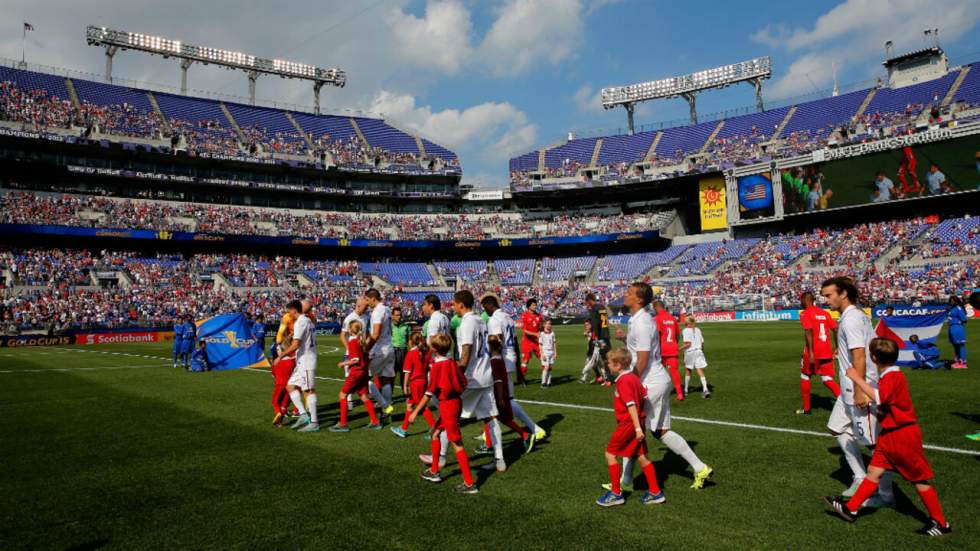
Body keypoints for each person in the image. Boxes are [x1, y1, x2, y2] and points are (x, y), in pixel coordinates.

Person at [825, 338, 952, 537]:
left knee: (919, 479)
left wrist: (857, 379)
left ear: (874, 358)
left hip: (902, 435)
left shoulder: (893, 377)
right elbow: (883, 400)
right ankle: (851, 508)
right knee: (874, 472)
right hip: (890, 435)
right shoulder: (889, 376)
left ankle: (941, 523)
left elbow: (881, 397)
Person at [610, 282, 713, 492]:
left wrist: (630, 383)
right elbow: (642, 347)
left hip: (650, 381)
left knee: (633, 428)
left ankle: (626, 482)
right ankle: (699, 467)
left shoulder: (642, 322)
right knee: (660, 431)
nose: (625, 295)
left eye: (629, 293)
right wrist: (625, 338)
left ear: (639, 299)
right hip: (655, 378)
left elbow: (644, 358)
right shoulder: (639, 320)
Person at [820, 277, 894, 505]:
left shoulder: (852, 319)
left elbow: (860, 355)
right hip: (848, 387)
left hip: (859, 387)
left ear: (843, 294)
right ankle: (861, 476)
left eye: (829, 295)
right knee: (836, 428)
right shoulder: (855, 315)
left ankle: (885, 495)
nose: (825, 299)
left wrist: (860, 390)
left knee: (874, 445)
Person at [408, 333, 478, 494]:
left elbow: (428, 393)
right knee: (435, 433)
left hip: (448, 406)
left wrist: (415, 412)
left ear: (433, 349)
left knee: (456, 443)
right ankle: (434, 472)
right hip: (456, 403)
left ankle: (469, 483)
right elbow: (464, 383)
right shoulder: (452, 363)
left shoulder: (437, 368)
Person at [595, 348, 665, 507]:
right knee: (641, 456)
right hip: (637, 422)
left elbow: (631, 405)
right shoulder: (634, 378)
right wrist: (641, 422)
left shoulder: (623, 381)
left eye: (610, 364)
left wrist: (637, 428)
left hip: (629, 424)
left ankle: (616, 494)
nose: (608, 366)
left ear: (618, 365)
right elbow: (645, 399)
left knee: (610, 454)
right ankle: (655, 492)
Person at [481, 294, 546, 449]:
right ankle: (488, 435)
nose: (485, 311)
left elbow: (497, 340)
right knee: (498, 399)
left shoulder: (495, 320)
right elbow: (515, 342)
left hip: (502, 359)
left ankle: (533, 429)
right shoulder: (508, 318)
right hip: (511, 358)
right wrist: (518, 369)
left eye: (485, 308)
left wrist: (491, 360)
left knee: (504, 399)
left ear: (490, 306)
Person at [275, 300, 320, 432]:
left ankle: (314, 422)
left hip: (306, 360)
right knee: (290, 386)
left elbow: (296, 345)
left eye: (290, 312)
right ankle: (303, 415)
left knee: (308, 390)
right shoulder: (308, 320)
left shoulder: (301, 322)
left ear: (295, 310)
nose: (290, 315)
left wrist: (281, 356)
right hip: (302, 360)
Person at [330, 319, 381, 432]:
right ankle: (375, 421)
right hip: (363, 372)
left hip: (356, 372)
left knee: (342, 395)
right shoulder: (360, 341)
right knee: (364, 397)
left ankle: (343, 424)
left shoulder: (353, 342)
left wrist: (343, 363)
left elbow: (355, 360)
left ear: (349, 330)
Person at [486, 334, 531, 458]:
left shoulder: (495, 361)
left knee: (496, 418)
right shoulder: (499, 358)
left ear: (490, 346)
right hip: (502, 392)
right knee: (498, 418)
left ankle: (524, 435)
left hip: (499, 394)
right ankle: (523, 435)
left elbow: (498, 380)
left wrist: (499, 397)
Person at [797, 291, 841, 415]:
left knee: (805, 376)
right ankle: (845, 404)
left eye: (801, 300)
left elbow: (808, 332)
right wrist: (837, 347)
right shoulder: (824, 313)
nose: (800, 303)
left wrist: (811, 352)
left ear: (806, 300)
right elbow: (835, 329)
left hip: (813, 352)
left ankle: (806, 409)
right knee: (827, 378)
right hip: (827, 351)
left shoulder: (805, 313)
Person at [391, 332, 435, 437]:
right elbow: (431, 366)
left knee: (422, 407)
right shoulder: (427, 352)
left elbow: (407, 372)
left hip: (415, 384)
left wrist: (405, 386)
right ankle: (403, 429)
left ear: (411, 341)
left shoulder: (411, 353)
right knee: (410, 405)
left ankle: (434, 429)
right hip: (424, 381)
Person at [363, 288, 396, 417]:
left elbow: (375, 334)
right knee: (385, 379)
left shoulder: (377, 311)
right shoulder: (387, 309)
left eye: (367, 300)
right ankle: (386, 410)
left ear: (373, 298)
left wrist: (366, 348)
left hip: (380, 349)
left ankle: (386, 406)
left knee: (363, 377)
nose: (367, 303)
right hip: (389, 347)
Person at [340, 298, 371, 411]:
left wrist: (365, 347)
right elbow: (342, 335)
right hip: (352, 352)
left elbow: (366, 334)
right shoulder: (349, 318)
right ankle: (349, 401)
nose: (367, 308)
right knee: (349, 377)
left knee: (363, 378)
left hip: (362, 353)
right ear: (358, 305)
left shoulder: (366, 317)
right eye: (365, 307)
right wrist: (350, 349)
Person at [653, 300, 684, 400]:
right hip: (672, 348)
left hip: (661, 349)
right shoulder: (672, 318)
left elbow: (657, 334)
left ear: (656, 308)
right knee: (674, 372)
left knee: (657, 372)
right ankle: (680, 394)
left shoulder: (657, 318)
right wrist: (674, 343)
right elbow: (678, 334)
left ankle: (659, 392)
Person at [583, 293, 611, 384]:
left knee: (598, 357)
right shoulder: (602, 307)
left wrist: (597, 337)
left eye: (587, 302)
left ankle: (607, 379)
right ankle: (603, 377)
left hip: (600, 336)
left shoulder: (593, 308)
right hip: (606, 334)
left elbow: (595, 324)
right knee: (604, 357)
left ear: (589, 300)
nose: (587, 304)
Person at [681, 315, 710, 398]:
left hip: (690, 352)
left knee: (688, 370)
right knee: (699, 370)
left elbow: (687, 344)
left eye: (686, 323)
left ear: (688, 323)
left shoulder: (685, 330)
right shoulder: (698, 329)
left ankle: (686, 390)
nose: (685, 325)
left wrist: (678, 349)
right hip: (699, 351)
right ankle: (705, 389)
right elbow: (702, 343)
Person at [271, 348, 295, 427]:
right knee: (284, 403)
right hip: (290, 385)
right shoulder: (292, 362)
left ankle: (278, 413)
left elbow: (273, 375)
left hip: (280, 384)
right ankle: (279, 422)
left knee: (275, 402)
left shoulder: (276, 362)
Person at [520, 298, 544, 379]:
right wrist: (536, 334)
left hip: (537, 341)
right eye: (533, 305)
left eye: (535, 304)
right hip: (527, 341)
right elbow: (525, 331)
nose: (535, 306)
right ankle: (522, 378)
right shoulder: (524, 315)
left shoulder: (539, 315)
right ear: (529, 306)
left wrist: (543, 331)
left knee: (543, 358)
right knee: (525, 360)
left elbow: (541, 327)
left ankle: (544, 377)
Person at [947, 295, 968, 369]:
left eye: (953, 300)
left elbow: (964, 319)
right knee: (955, 345)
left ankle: (963, 363)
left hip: (957, 327)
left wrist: (957, 321)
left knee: (960, 345)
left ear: (956, 301)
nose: (951, 302)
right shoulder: (952, 309)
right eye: (950, 300)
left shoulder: (958, 308)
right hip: (951, 327)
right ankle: (958, 361)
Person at [391, 306, 409, 391]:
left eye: (400, 315)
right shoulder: (389, 327)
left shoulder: (405, 326)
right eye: (397, 315)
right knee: (392, 374)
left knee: (404, 373)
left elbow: (409, 340)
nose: (399, 317)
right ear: (392, 316)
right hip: (393, 351)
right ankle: (389, 396)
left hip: (404, 351)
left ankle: (405, 392)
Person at [539, 320, 556, 388]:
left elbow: (554, 343)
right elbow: (540, 344)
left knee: (550, 367)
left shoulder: (552, 333)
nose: (549, 325)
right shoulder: (542, 334)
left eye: (550, 324)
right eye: (548, 324)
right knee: (546, 367)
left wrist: (555, 353)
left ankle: (549, 382)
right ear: (544, 325)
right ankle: (543, 383)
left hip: (551, 352)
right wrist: (542, 354)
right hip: (545, 352)